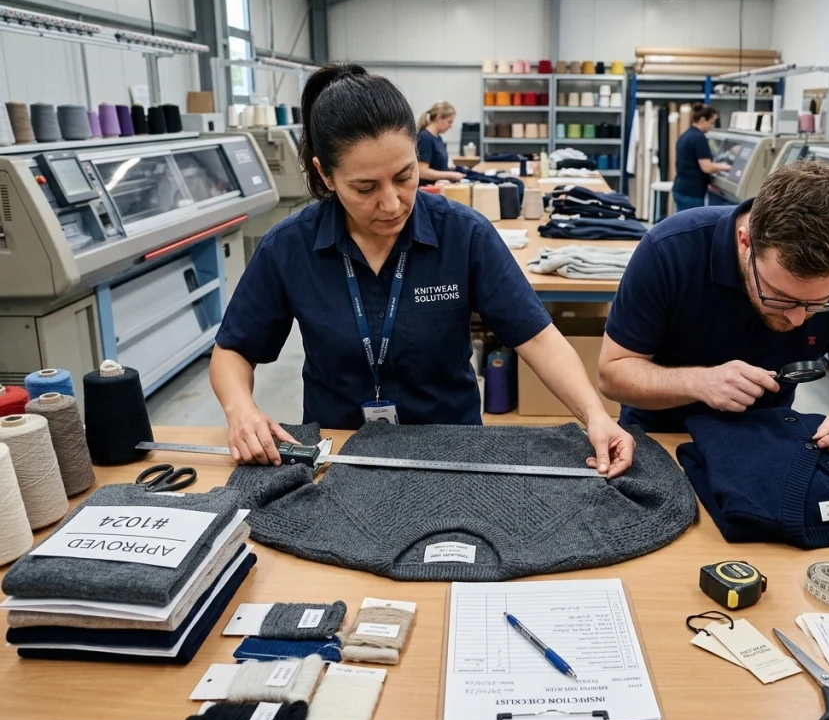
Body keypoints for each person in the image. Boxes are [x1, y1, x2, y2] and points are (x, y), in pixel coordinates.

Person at [211, 63, 635, 476]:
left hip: (454, 455)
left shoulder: (463, 235)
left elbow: (538, 338)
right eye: (365, 188)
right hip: (338, 455)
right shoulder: (289, 248)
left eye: (404, 175)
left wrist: (594, 415)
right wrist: (241, 410)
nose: (392, 203)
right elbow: (233, 350)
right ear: (325, 174)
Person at [598, 161, 829, 461]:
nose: (799, 318)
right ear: (745, 242)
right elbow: (612, 373)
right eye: (780, 298)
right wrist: (699, 383)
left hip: (769, 441)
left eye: (821, 302)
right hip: (661, 438)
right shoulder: (670, 250)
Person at [671, 103, 731, 211]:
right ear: (703, 120)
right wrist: (725, 167)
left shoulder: (686, 135)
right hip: (691, 193)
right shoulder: (699, 138)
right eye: (711, 123)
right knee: (690, 224)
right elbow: (706, 167)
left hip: (681, 188)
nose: (712, 126)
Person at [416, 101, 464, 185]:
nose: (450, 126)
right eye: (449, 122)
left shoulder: (438, 138)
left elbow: (435, 164)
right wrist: (450, 175)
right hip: (428, 190)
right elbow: (422, 171)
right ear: (439, 118)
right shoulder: (425, 138)